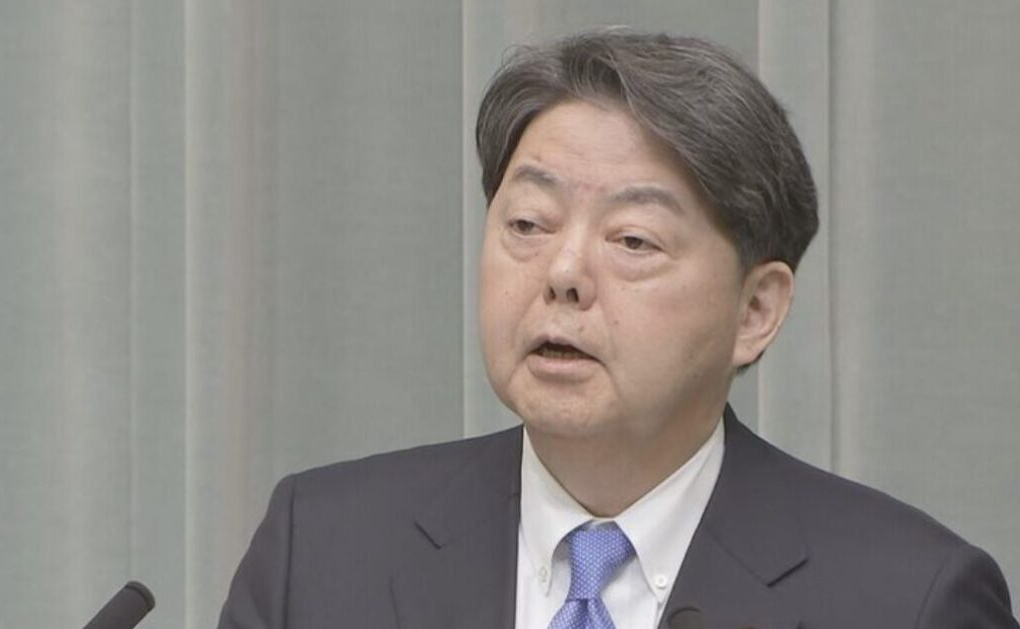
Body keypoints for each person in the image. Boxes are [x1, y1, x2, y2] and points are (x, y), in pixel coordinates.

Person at [218, 28, 1017, 628]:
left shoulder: (906, 599)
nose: (563, 271)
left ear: (756, 310)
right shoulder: (320, 552)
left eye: (632, 240)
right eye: (528, 223)